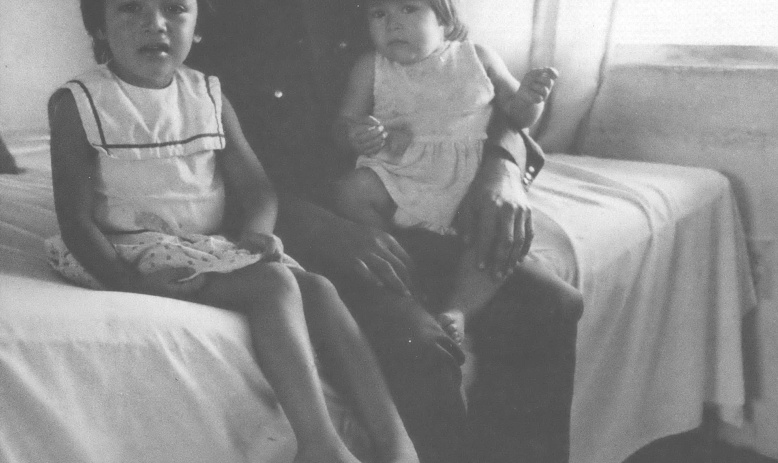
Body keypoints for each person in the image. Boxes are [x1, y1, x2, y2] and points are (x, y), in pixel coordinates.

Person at [188, 0, 584, 461]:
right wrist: (322, 229)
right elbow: (202, 170)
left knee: (549, 303)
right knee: (420, 349)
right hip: (318, 232)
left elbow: (472, 88)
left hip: (435, 204)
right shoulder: (205, 24)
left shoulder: (385, 8)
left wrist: (503, 168)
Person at [44, 1, 419, 462]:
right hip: (127, 249)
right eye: (131, 8)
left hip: (203, 243)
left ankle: (397, 445)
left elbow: (257, 188)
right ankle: (320, 444)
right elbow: (76, 222)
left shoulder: (207, 93)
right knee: (274, 284)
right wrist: (129, 283)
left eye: (175, 8)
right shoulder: (80, 101)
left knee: (319, 290)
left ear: (197, 24)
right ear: (98, 24)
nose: (155, 23)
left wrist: (258, 235)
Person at [331, 0, 558, 344]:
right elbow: (344, 122)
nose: (392, 23)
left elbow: (516, 115)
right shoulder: (370, 67)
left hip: (465, 182)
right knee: (352, 190)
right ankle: (402, 276)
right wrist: (355, 133)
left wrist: (530, 98)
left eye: (408, 9)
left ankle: (460, 309)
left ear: (445, 21)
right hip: (400, 174)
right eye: (379, 14)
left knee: (495, 232)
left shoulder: (476, 58)